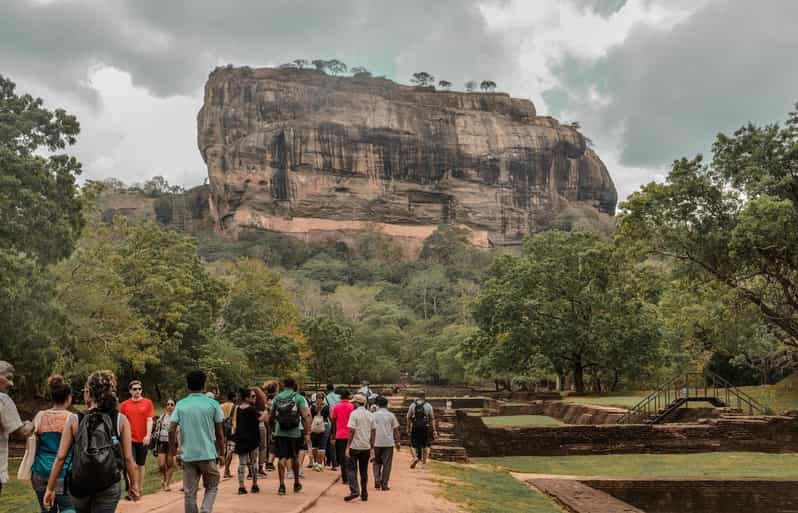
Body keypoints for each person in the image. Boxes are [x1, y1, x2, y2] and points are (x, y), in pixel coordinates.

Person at [44, 370, 140, 512]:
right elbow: (128, 458)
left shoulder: (75, 419)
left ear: (88, 393)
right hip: (109, 483)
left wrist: (50, 488)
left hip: (80, 484)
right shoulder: (120, 419)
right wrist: (134, 485)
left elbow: (61, 457)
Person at [169, 370, 225, 513]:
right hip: (208, 454)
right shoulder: (212, 404)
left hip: (188, 456)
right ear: (204, 385)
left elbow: (171, 429)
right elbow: (219, 432)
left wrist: (173, 452)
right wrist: (222, 453)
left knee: (189, 493)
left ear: (188, 386)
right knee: (212, 486)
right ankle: (206, 510)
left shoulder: (181, 404)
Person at [31, 375, 76, 512]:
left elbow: (33, 442)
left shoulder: (40, 416)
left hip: (39, 471)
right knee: (68, 508)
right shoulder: (72, 418)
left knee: (46, 508)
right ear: (69, 397)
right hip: (62, 473)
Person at [267, 377, 311, 496]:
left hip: (279, 432)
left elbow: (270, 418)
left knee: (282, 457)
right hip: (295, 433)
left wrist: (271, 431)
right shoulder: (298, 398)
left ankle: (281, 485)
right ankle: (296, 482)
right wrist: (307, 433)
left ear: (283, 385)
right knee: (294, 457)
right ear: (294, 385)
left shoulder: (277, 398)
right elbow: (305, 416)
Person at [0, 360, 34, 497]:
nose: (11, 384)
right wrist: (31, 424)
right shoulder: (3, 399)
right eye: (7, 378)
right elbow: (20, 434)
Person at [119, 380, 154, 500]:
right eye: (134, 389)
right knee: (131, 464)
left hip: (143, 439)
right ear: (130, 391)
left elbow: (150, 420)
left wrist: (148, 435)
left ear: (141, 390)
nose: (137, 391)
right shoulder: (124, 405)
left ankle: (139, 488)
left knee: (141, 465)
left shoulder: (148, 403)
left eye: (139, 389)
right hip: (129, 439)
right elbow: (121, 422)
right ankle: (132, 489)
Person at [343, 394, 375, 502]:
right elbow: (373, 431)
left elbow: (351, 431)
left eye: (353, 403)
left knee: (351, 469)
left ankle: (354, 490)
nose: (353, 405)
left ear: (357, 403)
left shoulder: (354, 414)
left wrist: (347, 446)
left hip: (355, 446)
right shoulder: (370, 415)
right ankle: (364, 493)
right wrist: (372, 447)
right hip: (365, 446)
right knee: (363, 470)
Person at [233, 388, 262, 495]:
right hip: (252, 439)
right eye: (253, 396)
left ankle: (241, 486)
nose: (255, 398)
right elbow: (258, 423)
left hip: (241, 439)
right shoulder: (252, 409)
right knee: (254, 462)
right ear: (247, 398)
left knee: (242, 463)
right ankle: (254, 484)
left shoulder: (238, 409)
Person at [372, 395, 400, 491]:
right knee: (387, 464)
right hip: (388, 443)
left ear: (378, 405)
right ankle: (384, 484)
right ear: (386, 405)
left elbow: (371, 429)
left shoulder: (373, 415)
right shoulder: (391, 415)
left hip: (376, 442)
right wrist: (398, 442)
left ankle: (377, 479)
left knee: (376, 462)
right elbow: (396, 430)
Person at [406, 391, 437, 469]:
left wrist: (408, 428)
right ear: (424, 396)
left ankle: (415, 457)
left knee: (412, 444)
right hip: (425, 427)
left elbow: (408, 417)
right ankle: (424, 464)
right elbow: (432, 418)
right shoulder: (428, 405)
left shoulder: (413, 405)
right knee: (425, 445)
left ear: (417, 396)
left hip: (415, 427)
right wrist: (434, 430)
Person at [330, 389, 354, 484]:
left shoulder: (337, 407)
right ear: (348, 397)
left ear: (340, 397)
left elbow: (333, 421)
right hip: (350, 435)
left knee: (342, 456)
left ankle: (345, 478)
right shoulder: (352, 407)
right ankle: (350, 476)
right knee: (350, 456)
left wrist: (332, 434)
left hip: (339, 434)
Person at [154, 399, 177, 491]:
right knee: (162, 465)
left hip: (172, 443)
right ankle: (164, 478)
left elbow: (179, 431)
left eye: (172, 404)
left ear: (175, 406)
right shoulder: (162, 417)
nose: (170, 406)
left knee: (170, 464)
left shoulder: (176, 418)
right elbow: (157, 429)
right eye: (168, 404)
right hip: (162, 442)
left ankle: (167, 483)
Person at [309, 391, 330, 472]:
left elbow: (310, 416)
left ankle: (315, 463)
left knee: (314, 446)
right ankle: (320, 464)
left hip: (314, 427)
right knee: (322, 446)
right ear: (323, 398)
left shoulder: (312, 406)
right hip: (323, 426)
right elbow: (327, 416)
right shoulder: (326, 407)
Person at [219, 392, 236, 479]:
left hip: (221, 431)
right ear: (233, 398)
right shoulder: (234, 407)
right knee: (230, 451)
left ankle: (227, 470)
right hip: (231, 431)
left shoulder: (221, 406)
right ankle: (226, 471)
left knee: (225, 450)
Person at [323, 384, 340, 468]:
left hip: (330, 421)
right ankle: (337, 459)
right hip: (340, 421)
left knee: (329, 442)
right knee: (338, 441)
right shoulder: (339, 397)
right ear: (334, 389)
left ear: (327, 389)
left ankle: (330, 460)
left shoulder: (326, 398)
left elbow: (326, 410)